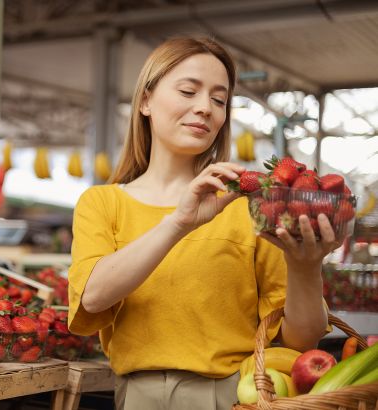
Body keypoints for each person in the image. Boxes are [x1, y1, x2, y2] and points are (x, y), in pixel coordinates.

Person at [68, 36, 339, 410]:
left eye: (218, 100)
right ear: (145, 100)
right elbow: (94, 297)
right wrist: (180, 222)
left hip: (230, 396)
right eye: (188, 91)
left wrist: (307, 268)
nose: (205, 108)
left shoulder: (251, 206)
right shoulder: (101, 203)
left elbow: (301, 342)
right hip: (136, 397)